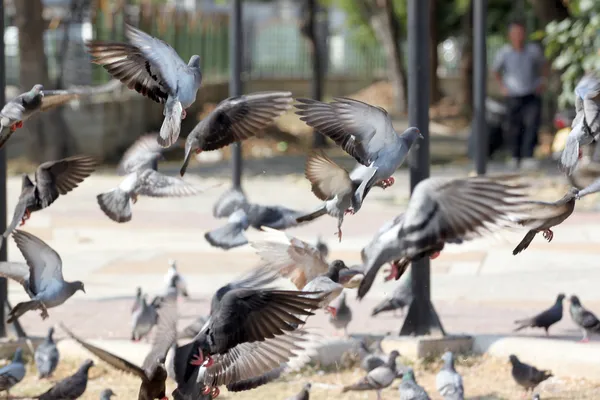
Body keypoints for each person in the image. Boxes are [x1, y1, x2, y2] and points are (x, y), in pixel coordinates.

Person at [493, 20, 548, 170]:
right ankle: (514, 155)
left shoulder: (533, 50)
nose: (518, 36)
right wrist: (502, 87)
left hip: (531, 92)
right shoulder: (504, 52)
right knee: (512, 126)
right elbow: (495, 70)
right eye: (515, 33)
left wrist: (542, 81)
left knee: (532, 125)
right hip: (512, 94)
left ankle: (528, 156)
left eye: (521, 32)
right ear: (510, 35)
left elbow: (543, 65)